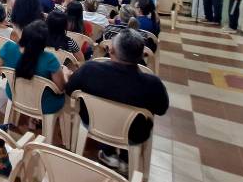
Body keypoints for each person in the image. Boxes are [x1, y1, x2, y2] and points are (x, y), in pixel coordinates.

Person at [66, 29, 169, 170]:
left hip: (93, 122)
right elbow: (161, 109)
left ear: (111, 51)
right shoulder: (153, 84)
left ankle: (108, 153)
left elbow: (69, 89)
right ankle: (126, 159)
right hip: (134, 134)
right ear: (141, 55)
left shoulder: (90, 69)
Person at [0, 20, 67, 116]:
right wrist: (66, 74)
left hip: (14, 94)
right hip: (44, 104)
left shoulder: (8, 47)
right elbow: (61, 88)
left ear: (24, 35)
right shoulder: (50, 59)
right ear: (44, 42)